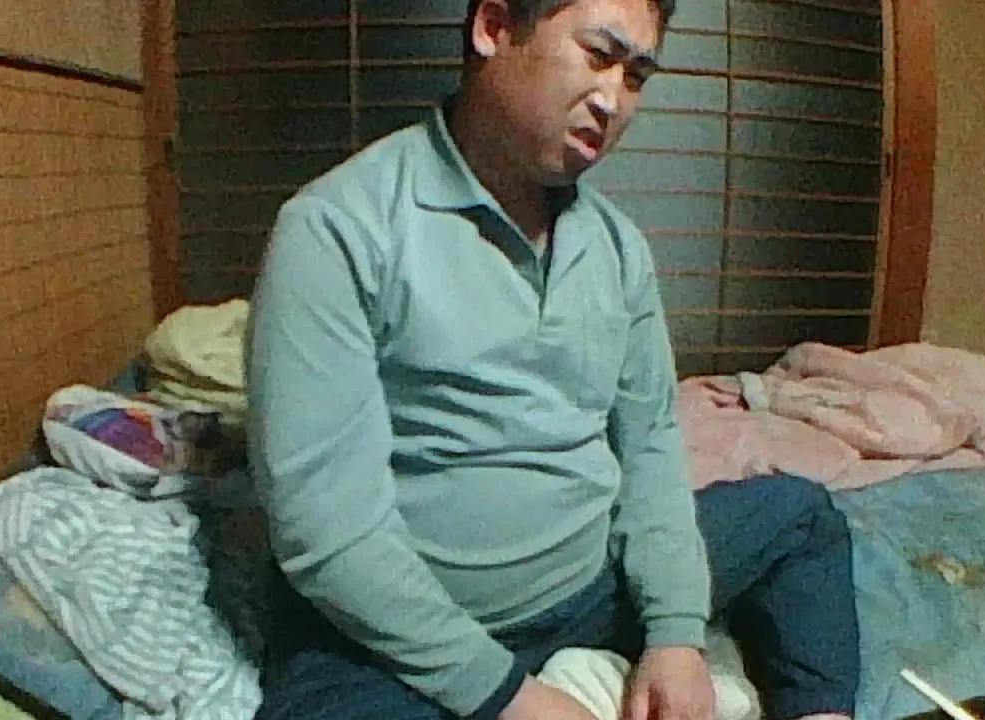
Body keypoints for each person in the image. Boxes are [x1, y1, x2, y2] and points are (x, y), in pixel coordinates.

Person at [244, 0, 861, 718]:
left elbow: (650, 445)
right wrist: (508, 696)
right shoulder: (337, 227)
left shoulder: (617, 246)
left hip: (589, 588)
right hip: (400, 637)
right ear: (494, 28)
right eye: (598, 56)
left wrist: (675, 634)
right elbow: (325, 532)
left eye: (636, 77)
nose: (613, 100)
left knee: (801, 517)